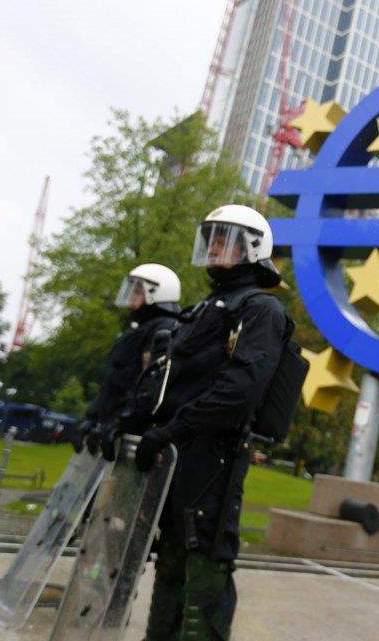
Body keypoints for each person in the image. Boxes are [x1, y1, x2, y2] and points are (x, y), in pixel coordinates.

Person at [135, 204, 294, 640]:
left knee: (204, 568)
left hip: (212, 462)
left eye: (225, 239)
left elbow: (237, 392)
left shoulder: (261, 310)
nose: (214, 247)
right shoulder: (204, 307)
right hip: (176, 457)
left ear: (253, 248)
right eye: (212, 238)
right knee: (169, 564)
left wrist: (172, 430)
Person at [71, 263, 180, 460]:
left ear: (157, 294)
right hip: (111, 426)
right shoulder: (134, 331)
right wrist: (92, 417)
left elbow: (149, 383)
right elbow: (112, 384)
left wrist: (123, 421)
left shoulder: (164, 329)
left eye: (138, 291)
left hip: (131, 430)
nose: (131, 297)